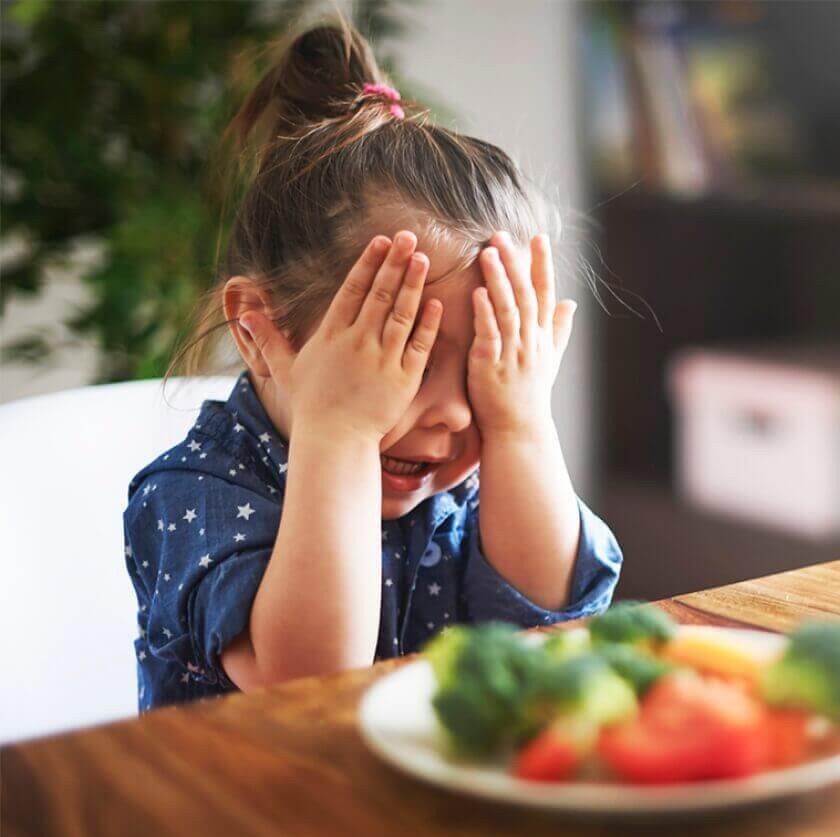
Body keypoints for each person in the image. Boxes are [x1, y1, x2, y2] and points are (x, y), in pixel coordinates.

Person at [123, 21, 622, 711]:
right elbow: (308, 681)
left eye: (484, 371)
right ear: (259, 331)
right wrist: (342, 435)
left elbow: (554, 617)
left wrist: (520, 425)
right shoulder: (194, 494)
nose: (453, 412)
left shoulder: (474, 476)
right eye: (406, 365)